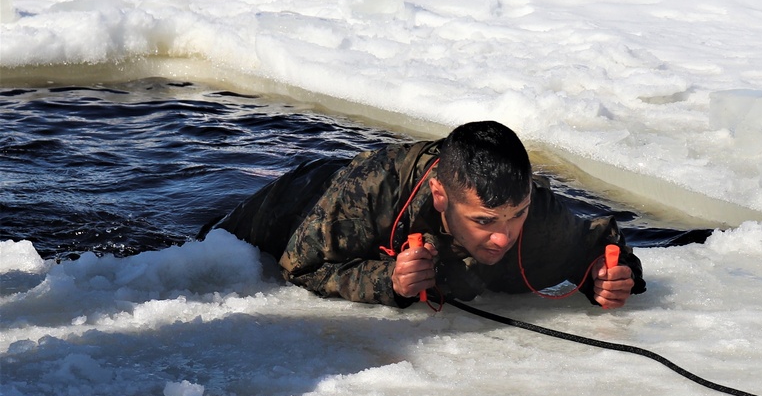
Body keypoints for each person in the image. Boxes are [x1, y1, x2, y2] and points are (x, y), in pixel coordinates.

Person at [204, 120, 645, 309]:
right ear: (440, 196)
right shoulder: (369, 191)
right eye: (484, 221)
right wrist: (387, 280)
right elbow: (300, 268)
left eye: (516, 215)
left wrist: (607, 276)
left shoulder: (537, 214)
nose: (504, 237)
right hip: (299, 200)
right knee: (208, 243)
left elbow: (603, 241)